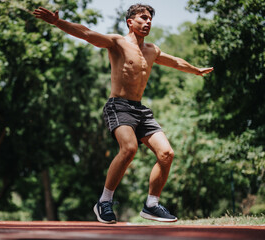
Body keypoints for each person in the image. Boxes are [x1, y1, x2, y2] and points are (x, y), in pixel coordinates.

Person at [33, 4, 213, 224]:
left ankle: (152, 205)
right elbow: (88, 34)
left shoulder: (151, 50)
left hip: (140, 109)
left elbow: (174, 61)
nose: (147, 22)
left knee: (166, 154)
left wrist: (195, 70)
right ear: (130, 22)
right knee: (129, 148)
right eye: (143, 18)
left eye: (150, 19)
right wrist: (58, 22)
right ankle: (105, 201)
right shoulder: (117, 43)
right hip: (118, 105)